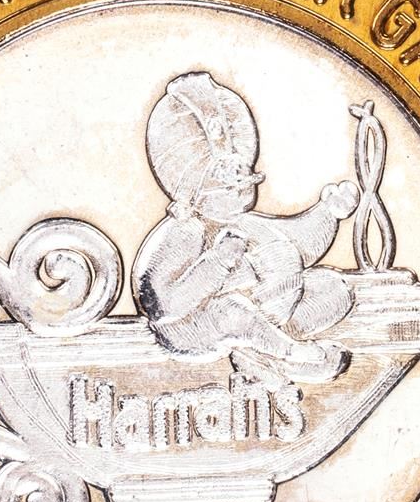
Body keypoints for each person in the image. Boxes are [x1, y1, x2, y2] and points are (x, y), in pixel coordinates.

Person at [132, 71, 360, 387]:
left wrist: (328, 214)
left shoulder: (243, 221)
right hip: (193, 328)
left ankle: (261, 352)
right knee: (233, 311)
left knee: (335, 289)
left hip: (263, 311)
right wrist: (217, 262)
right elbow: (161, 304)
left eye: (245, 184)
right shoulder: (186, 231)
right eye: (230, 187)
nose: (241, 193)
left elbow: (296, 243)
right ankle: (288, 353)